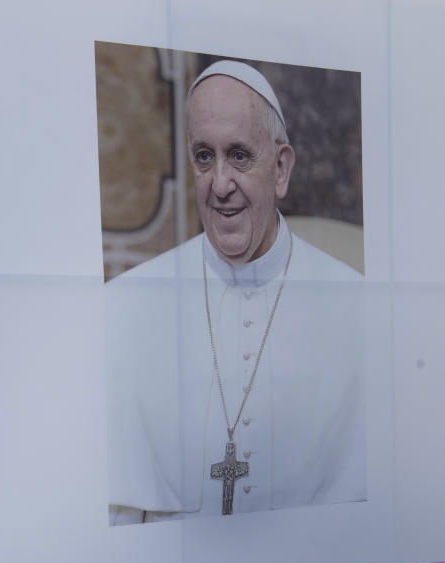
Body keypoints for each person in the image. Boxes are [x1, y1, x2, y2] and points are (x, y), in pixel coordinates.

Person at [106, 60, 365, 524]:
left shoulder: (359, 309)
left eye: (240, 156)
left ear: (281, 169)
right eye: (204, 156)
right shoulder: (128, 305)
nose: (220, 184)